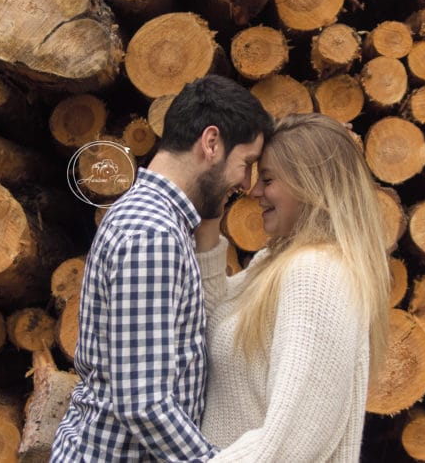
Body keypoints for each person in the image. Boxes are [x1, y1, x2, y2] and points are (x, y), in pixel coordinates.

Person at [51, 75, 274, 462]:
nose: (245, 182)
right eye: (246, 164)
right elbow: (143, 402)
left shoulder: (156, 219)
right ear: (211, 143)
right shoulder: (153, 234)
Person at [194, 112, 391, 461]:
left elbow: (291, 441)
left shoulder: (317, 273)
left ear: (310, 184)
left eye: (267, 179)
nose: (253, 192)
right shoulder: (276, 262)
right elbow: (211, 315)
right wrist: (209, 221)